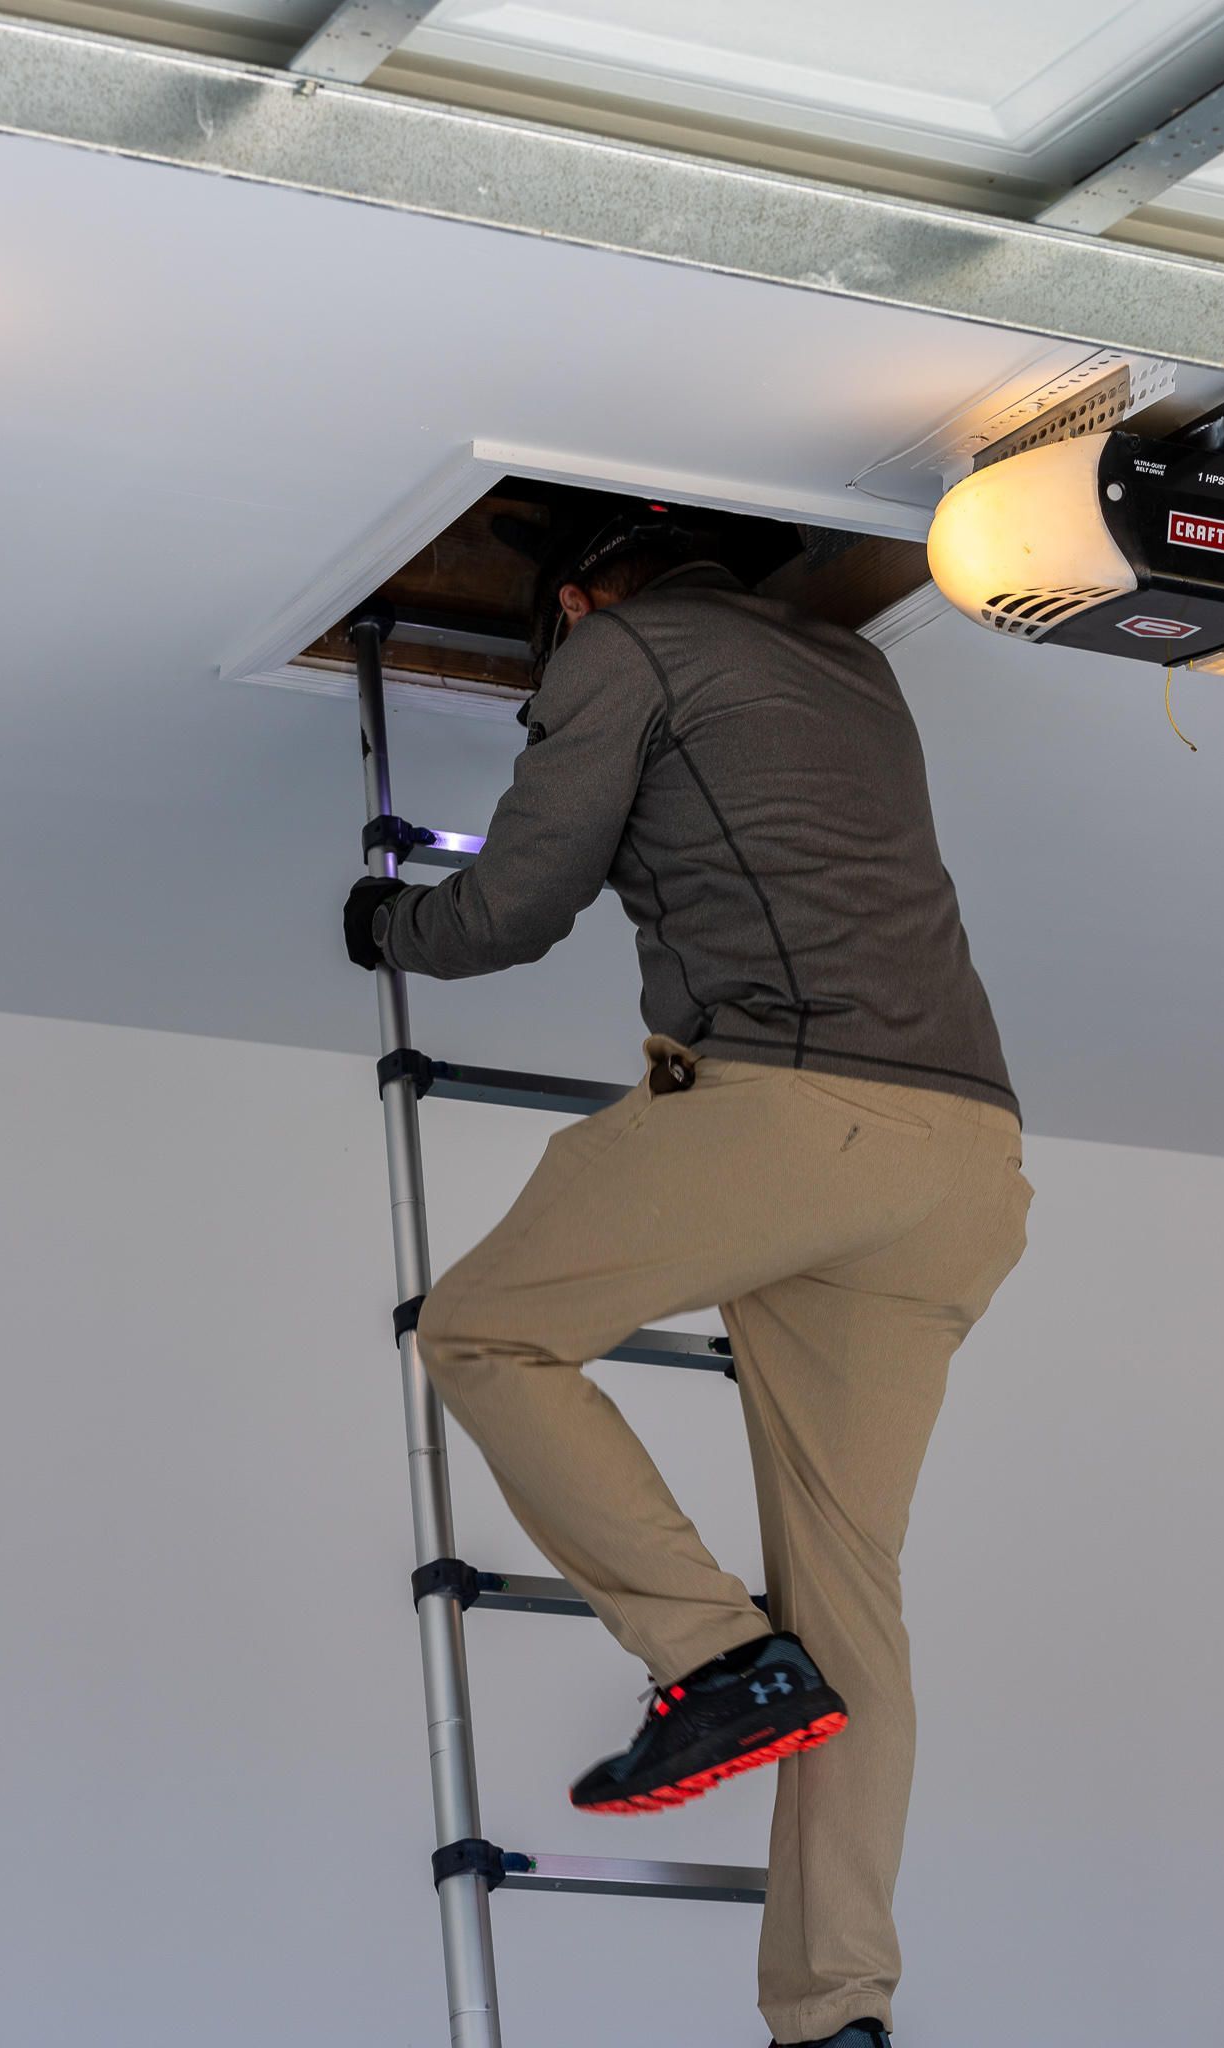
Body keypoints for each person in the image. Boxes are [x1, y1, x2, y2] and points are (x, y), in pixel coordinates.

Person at [344, 502, 1033, 2048]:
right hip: (967, 1168)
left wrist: (387, 923)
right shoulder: (853, 669)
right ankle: (832, 2013)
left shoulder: (629, 647)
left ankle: (716, 1661)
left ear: (576, 600)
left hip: (795, 1115)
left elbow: (511, 910)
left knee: (481, 1334)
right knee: (850, 1602)